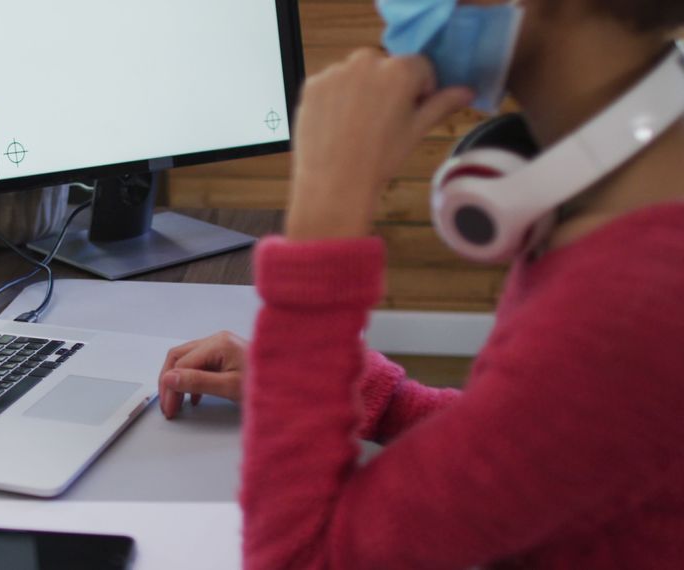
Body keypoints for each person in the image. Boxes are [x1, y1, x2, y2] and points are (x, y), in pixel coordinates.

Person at [157, 0, 684, 567]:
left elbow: (302, 559)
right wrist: (349, 390)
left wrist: (324, 222)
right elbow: (540, 450)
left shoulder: (627, 307)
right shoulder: (639, 198)